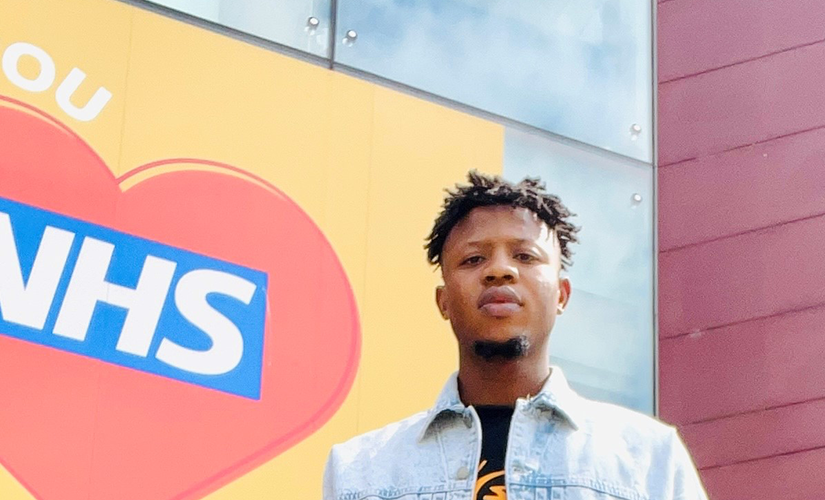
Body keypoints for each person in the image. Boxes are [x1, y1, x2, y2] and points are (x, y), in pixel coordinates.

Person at [323, 171, 707, 500]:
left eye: (525, 256)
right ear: (443, 301)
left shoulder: (649, 459)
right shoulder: (361, 471)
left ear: (561, 294)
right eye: (474, 259)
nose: (500, 270)